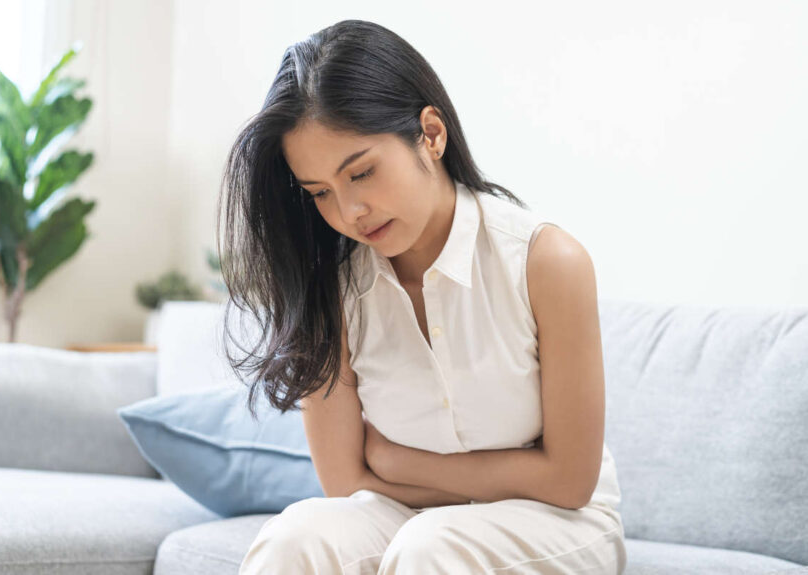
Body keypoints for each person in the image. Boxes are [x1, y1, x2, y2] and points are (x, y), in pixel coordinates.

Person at [217, 18, 627, 575]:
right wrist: (404, 478)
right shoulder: (333, 288)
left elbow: (569, 480)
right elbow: (345, 481)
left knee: (430, 547)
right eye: (320, 193)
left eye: (361, 173)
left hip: (555, 522)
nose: (348, 213)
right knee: (294, 538)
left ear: (430, 135)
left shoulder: (546, 262)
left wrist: (396, 459)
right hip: (404, 516)